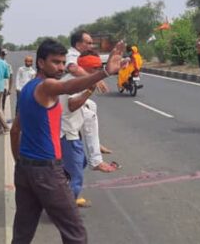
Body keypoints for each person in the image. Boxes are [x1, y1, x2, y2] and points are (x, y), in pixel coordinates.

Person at [10, 39, 125, 244]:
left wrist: (19, 162)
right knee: (75, 234)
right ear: (41, 62)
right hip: (46, 170)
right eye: (55, 62)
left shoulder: (28, 88)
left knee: (22, 231)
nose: (61, 67)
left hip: (25, 168)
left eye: (63, 62)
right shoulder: (46, 86)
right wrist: (104, 72)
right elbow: (69, 86)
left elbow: (15, 130)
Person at [67, 30, 115, 172]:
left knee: (92, 105)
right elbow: (72, 68)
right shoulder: (72, 55)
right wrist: (94, 80)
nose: (91, 45)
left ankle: (95, 141)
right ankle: (96, 161)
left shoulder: (81, 55)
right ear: (78, 44)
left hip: (73, 95)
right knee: (89, 116)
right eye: (88, 42)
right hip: (66, 99)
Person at [60, 52, 103, 209]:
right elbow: (72, 105)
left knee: (78, 164)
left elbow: (86, 113)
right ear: (86, 68)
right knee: (76, 173)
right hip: (67, 134)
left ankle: (63, 195)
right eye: (96, 69)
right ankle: (66, 208)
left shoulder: (75, 81)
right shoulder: (76, 82)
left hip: (70, 133)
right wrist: (89, 90)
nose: (98, 72)